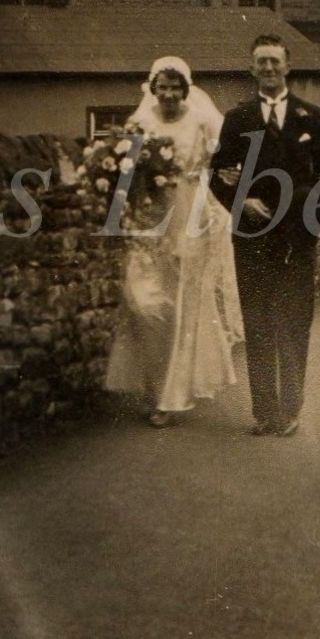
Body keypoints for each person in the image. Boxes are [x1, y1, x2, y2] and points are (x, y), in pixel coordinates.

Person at [210, 34, 320, 437]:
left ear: (288, 66)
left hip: (297, 237)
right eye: (261, 62)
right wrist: (240, 202)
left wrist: (305, 205)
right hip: (252, 235)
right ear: (252, 69)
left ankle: (291, 410)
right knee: (259, 320)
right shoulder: (238, 118)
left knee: (295, 320)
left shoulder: (310, 116)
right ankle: (265, 413)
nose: (268, 68)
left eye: (275, 62)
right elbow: (214, 174)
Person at [104, 57, 242, 426]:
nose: (167, 94)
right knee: (142, 300)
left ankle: (170, 396)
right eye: (161, 87)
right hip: (149, 217)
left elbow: (228, 154)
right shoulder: (141, 122)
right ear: (152, 89)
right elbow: (123, 166)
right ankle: (152, 386)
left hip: (188, 216)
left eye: (174, 87)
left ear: (186, 89)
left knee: (182, 303)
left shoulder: (201, 119)